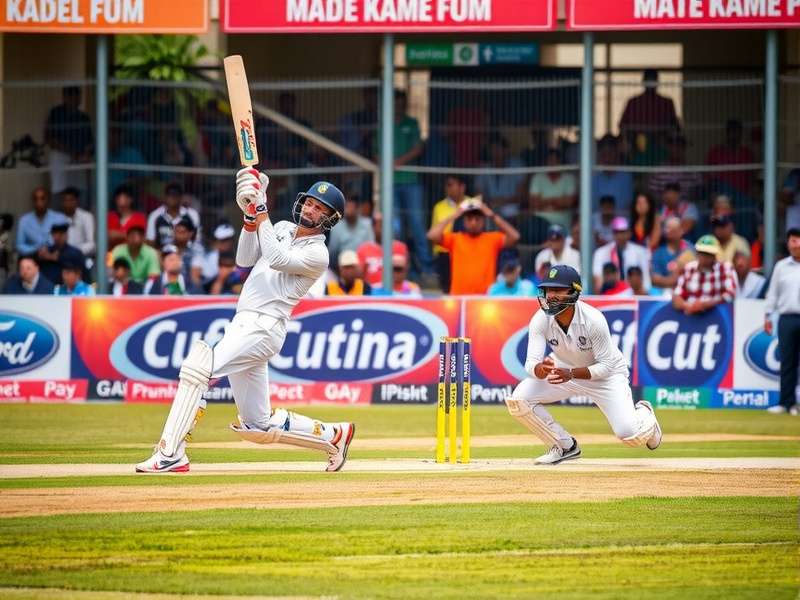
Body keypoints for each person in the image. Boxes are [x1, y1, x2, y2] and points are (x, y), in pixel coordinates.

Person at [136, 173, 355, 473]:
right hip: (245, 322)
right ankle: (335, 436)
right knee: (257, 424)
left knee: (197, 370)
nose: (310, 209)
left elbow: (277, 259)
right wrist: (250, 216)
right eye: (310, 202)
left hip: (264, 326)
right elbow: (245, 257)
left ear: (330, 218)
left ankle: (171, 454)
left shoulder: (318, 254)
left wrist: (262, 207)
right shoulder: (280, 227)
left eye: (320, 208)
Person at [504, 265, 662, 465]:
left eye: (558, 290)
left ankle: (645, 414)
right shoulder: (540, 320)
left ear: (574, 292)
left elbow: (605, 366)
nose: (551, 295)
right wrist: (540, 370)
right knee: (519, 400)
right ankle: (565, 447)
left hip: (607, 377)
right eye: (549, 290)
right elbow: (530, 364)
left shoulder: (594, 320)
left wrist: (570, 373)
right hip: (564, 371)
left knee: (629, 435)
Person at [427, 198, 520, 295]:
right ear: (464, 221)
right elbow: (432, 235)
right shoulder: (455, 239)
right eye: (469, 219)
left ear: (483, 221)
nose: (473, 223)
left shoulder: (493, 239)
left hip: (485, 298)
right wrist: (454, 216)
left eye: (477, 219)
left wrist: (492, 215)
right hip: (459, 298)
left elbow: (515, 236)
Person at [391, 90, 433, 277]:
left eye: (401, 103)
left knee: (417, 225)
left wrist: (398, 162)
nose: (399, 106)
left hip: (411, 180)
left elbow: (419, 148)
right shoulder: (384, 124)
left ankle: (426, 269)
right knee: (396, 228)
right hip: (391, 183)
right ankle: (401, 271)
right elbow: (376, 150)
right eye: (396, 103)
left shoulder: (412, 123)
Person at [764, 228, 800, 415]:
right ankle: (787, 403)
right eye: (793, 240)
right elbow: (772, 294)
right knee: (787, 362)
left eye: (799, 240)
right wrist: (768, 316)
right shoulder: (781, 266)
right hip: (787, 318)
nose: (797, 244)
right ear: (788, 243)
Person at [43, 86, 93, 195]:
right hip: (61, 154)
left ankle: (80, 207)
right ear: (65, 97)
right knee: (59, 187)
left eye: (77, 96)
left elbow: (89, 142)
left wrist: (85, 155)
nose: (76, 99)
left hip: (79, 157)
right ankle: (57, 206)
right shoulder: (56, 113)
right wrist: (71, 153)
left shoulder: (84, 117)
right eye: (72, 96)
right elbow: (50, 139)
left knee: (79, 188)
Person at [672, 235, 737, 316]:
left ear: (714, 256)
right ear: (697, 253)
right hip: (691, 318)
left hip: (717, 317)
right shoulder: (689, 268)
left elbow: (731, 294)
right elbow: (677, 295)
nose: (705, 257)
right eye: (702, 253)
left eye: (708, 254)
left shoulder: (725, 268)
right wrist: (688, 306)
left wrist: (707, 304)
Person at [431, 174, 472, 293]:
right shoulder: (439, 207)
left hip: (468, 252)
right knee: (447, 289)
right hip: (445, 254)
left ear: (462, 187)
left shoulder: (472, 204)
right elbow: (435, 230)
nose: (447, 188)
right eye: (446, 185)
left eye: (450, 185)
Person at [618, 69, 680, 146]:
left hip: (660, 143)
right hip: (638, 143)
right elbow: (623, 125)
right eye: (649, 79)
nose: (651, 82)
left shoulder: (667, 103)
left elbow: (675, 125)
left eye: (653, 79)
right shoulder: (633, 102)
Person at [475, 134, 526, 223]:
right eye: (493, 149)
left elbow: (521, 196)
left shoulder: (517, 166)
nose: (495, 152)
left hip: (510, 207)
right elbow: (478, 195)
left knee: (511, 211)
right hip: (490, 206)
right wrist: (490, 202)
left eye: (498, 149)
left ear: (506, 150)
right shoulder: (484, 169)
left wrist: (503, 201)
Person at [592, 216, 651, 292]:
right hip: (610, 295)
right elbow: (598, 282)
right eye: (617, 232)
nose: (620, 236)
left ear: (629, 233)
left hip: (634, 295)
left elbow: (646, 281)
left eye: (623, 232)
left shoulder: (640, 252)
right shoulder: (601, 252)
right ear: (613, 233)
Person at [528, 148, 578, 229]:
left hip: (562, 221)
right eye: (550, 161)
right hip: (539, 222)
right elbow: (534, 203)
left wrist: (544, 202)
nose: (552, 164)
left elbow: (569, 202)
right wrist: (558, 202)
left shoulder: (569, 178)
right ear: (545, 163)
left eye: (555, 161)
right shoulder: (537, 177)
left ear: (560, 163)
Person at [706, 119, 756, 198]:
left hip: (743, 196)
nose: (734, 135)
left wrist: (751, 193)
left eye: (737, 132)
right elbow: (708, 177)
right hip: (722, 196)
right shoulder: (715, 153)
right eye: (732, 132)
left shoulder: (747, 154)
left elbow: (752, 177)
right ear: (727, 133)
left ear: (741, 134)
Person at [146, 182, 201, 249]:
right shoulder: (155, 215)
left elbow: (196, 239)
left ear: (181, 197)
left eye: (175, 195)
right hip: (162, 254)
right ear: (164, 197)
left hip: (186, 253)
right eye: (169, 195)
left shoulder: (192, 214)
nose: (172, 198)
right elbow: (150, 241)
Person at [15, 187, 66, 256]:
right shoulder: (24, 220)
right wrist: (36, 250)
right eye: (36, 199)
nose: (39, 202)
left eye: (42, 198)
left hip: (55, 256)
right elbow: (19, 245)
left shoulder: (59, 218)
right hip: (33, 257)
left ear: (48, 200)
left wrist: (49, 249)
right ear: (32, 201)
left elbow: (64, 242)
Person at [327, 194, 375, 267]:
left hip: (364, 267)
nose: (347, 210)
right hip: (343, 267)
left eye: (350, 207)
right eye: (346, 207)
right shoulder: (337, 227)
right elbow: (332, 253)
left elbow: (371, 248)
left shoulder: (367, 225)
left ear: (357, 209)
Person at [650, 216, 694, 294]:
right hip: (664, 292)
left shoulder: (690, 250)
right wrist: (674, 280)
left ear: (681, 231)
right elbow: (654, 279)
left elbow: (694, 275)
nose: (671, 232)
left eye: (675, 229)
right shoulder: (658, 253)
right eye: (668, 229)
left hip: (688, 291)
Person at [591, 135, 633, 214]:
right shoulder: (595, 178)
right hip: (598, 221)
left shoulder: (625, 178)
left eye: (610, 154)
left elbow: (625, 205)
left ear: (616, 155)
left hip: (620, 221)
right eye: (604, 155)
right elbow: (593, 207)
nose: (607, 159)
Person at [60, 186, 95, 260]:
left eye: (71, 200)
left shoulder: (86, 217)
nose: (68, 203)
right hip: (62, 258)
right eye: (65, 200)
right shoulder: (58, 219)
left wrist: (74, 252)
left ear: (77, 201)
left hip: (81, 256)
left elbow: (91, 244)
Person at [172, 216, 205, 287]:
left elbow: (195, 277)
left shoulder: (196, 250)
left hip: (189, 286)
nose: (179, 235)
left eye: (182, 232)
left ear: (190, 234)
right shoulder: (168, 249)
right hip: (170, 284)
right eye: (177, 232)